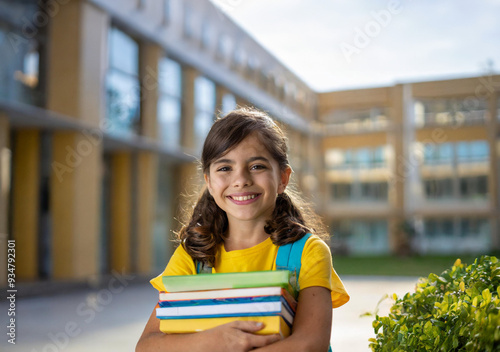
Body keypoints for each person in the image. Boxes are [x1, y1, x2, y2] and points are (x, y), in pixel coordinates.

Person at [136, 107, 349, 352]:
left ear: (283, 178)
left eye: (257, 166)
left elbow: (309, 345)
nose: (241, 180)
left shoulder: (307, 252)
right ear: (209, 181)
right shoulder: (193, 257)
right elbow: (147, 347)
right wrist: (217, 341)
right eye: (225, 168)